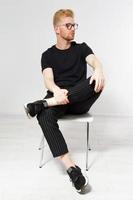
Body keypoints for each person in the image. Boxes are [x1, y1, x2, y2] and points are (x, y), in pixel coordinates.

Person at [24, 9, 105, 193]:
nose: (73, 28)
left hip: (79, 100)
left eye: (74, 25)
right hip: (57, 97)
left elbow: (94, 61)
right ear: (57, 29)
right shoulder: (48, 55)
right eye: (68, 25)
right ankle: (72, 169)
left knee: (97, 81)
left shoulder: (81, 47)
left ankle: (43, 104)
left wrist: (99, 69)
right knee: (43, 117)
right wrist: (55, 92)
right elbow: (48, 80)